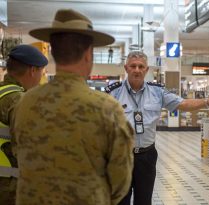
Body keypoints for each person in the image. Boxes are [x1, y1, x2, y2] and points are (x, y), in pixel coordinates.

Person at [11, 9, 134, 205]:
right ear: (88, 54)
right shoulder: (107, 109)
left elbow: (18, 152)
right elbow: (121, 181)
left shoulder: (25, 102)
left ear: (52, 52)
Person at [106, 51, 209, 205]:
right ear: (126, 68)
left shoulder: (157, 91)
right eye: (133, 66)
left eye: (141, 66)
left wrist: (207, 102)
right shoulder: (113, 92)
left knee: (144, 201)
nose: (137, 70)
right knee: (120, 201)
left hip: (146, 156)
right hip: (121, 157)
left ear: (147, 70)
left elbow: (182, 104)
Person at [0, 44, 48, 205]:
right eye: (41, 72)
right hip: (10, 188)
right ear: (32, 70)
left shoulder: (2, 92)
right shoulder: (18, 100)